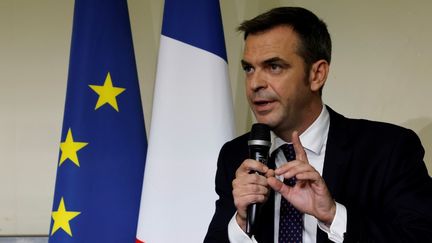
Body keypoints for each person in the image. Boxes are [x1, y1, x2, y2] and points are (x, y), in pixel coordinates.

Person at [204, 6, 432, 243]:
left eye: (274, 66)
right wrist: (241, 223)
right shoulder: (236, 155)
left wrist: (333, 216)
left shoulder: (387, 149)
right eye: (249, 69)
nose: (254, 84)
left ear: (317, 75)